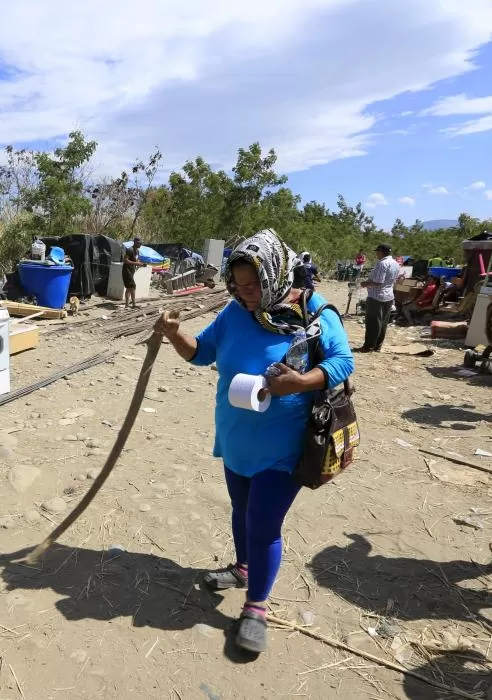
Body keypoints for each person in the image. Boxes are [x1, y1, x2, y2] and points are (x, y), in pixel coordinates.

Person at [153, 229, 354, 655]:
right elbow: (201, 353)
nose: (246, 294)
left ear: (276, 275)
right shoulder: (233, 313)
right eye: (239, 285)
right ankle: (244, 569)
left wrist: (300, 381)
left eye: (254, 285)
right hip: (236, 438)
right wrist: (174, 334)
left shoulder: (313, 311)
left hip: (285, 446)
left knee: (262, 525)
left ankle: (256, 608)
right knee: (241, 510)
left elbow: (343, 362)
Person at [356, 243, 401, 352]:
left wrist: (365, 284)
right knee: (383, 322)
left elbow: (378, 282)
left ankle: (369, 347)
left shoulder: (382, 264)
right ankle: (377, 346)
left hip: (377, 297)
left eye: (377, 251)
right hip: (389, 296)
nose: (376, 253)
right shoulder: (395, 263)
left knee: (373, 322)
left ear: (381, 252)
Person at [123, 238, 147, 308]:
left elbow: (135, 261)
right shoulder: (130, 250)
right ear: (135, 242)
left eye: (141, 243)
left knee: (128, 288)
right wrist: (137, 263)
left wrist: (141, 264)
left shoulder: (137, 251)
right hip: (126, 271)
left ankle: (127, 305)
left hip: (131, 271)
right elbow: (125, 260)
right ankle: (133, 304)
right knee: (133, 286)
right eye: (139, 243)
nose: (141, 244)